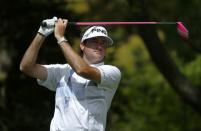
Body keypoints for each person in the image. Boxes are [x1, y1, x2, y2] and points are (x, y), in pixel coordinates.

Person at [20, 16, 121, 131]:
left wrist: (60, 37)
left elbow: (82, 70)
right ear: (82, 45)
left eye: (103, 43)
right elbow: (26, 67)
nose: (99, 46)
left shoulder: (112, 72)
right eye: (94, 41)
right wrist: (41, 34)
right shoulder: (61, 71)